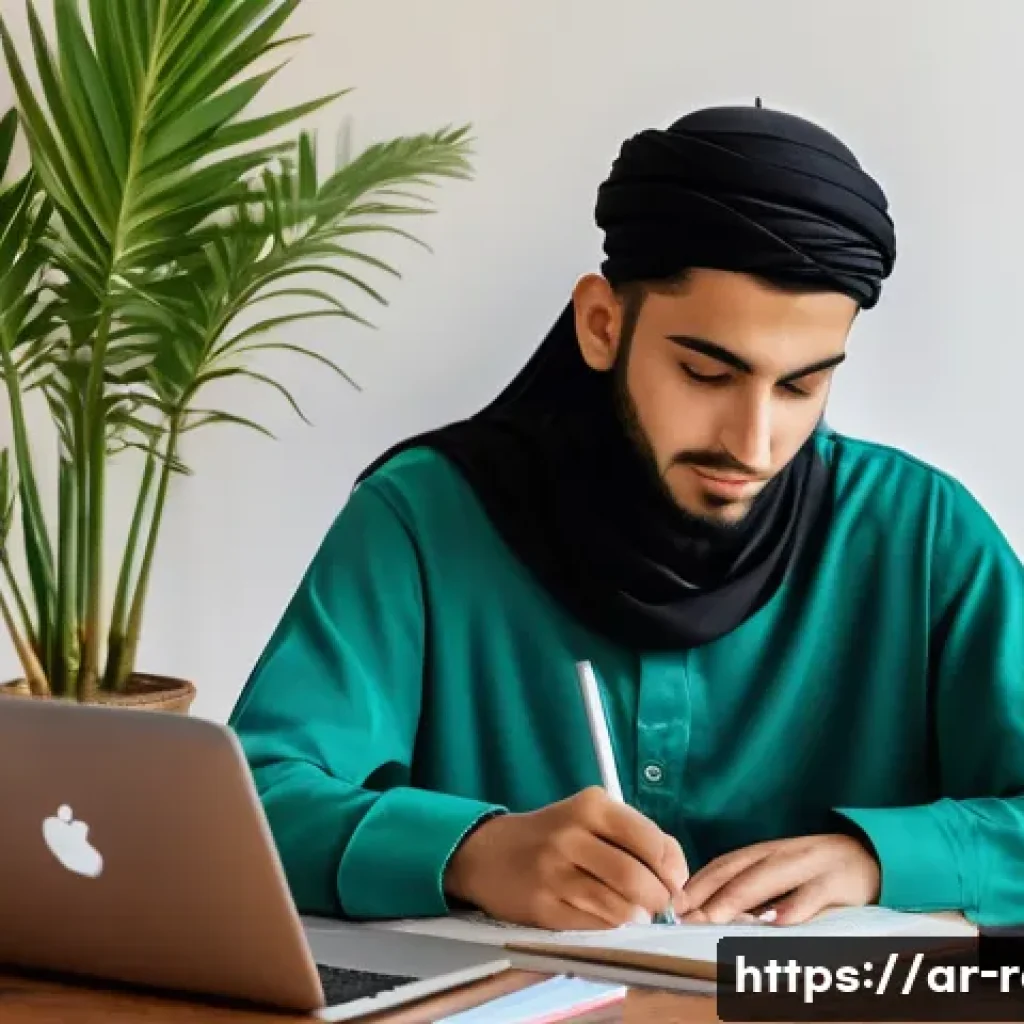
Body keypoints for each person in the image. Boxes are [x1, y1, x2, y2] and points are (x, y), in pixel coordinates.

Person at [228, 103, 1024, 932]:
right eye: (706, 374)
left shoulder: (924, 537)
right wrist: (474, 853)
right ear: (602, 324)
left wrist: (878, 860)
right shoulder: (424, 521)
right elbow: (251, 803)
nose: (753, 444)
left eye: (800, 386)